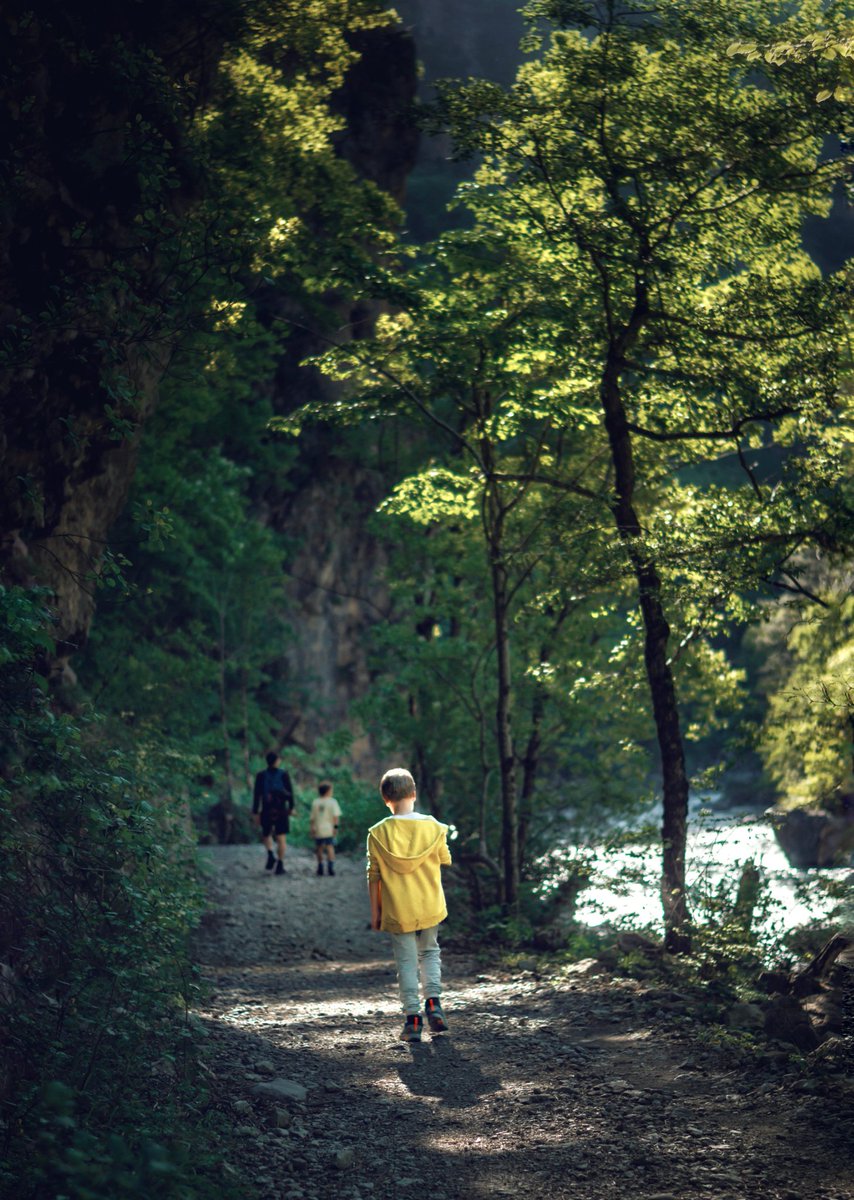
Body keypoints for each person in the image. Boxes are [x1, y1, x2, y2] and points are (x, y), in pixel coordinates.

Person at [366, 767, 452, 1043]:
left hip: (397, 907)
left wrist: (376, 913)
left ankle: (413, 1020)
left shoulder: (377, 833)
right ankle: (434, 1004)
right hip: (429, 903)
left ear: (386, 799)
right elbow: (444, 859)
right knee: (429, 952)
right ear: (413, 794)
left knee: (405, 961)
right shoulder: (435, 827)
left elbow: (374, 877)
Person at [252, 751, 295, 875]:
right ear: (277, 761)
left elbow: (257, 795)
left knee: (266, 833)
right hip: (281, 809)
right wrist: (291, 807)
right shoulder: (284, 774)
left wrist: (255, 812)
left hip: (266, 809)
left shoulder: (260, 775)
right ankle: (280, 865)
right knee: (281, 837)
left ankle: (270, 853)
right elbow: (290, 793)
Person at [309, 781, 341, 876]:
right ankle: (330, 867)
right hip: (329, 829)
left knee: (319, 848)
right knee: (330, 847)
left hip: (318, 829)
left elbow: (312, 818)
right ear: (328, 791)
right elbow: (335, 817)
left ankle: (320, 867)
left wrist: (312, 828)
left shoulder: (315, 802)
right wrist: (335, 828)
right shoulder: (333, 802)